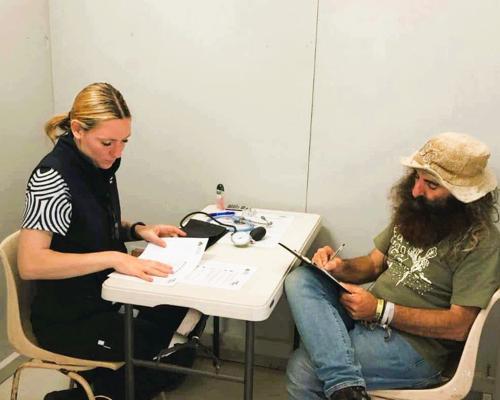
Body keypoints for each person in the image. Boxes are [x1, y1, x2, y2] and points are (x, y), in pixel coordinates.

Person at [285, 132, 500, 400]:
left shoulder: (481, 242)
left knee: (304, 368)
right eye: (416, 178)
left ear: (463, 198)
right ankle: (345, 386)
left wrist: (381, 310)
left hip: (414, 347)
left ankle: (342, 382)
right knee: (301, 278)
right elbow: (373, 264)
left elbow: (459, 326)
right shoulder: (417, 213)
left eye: (431, 185)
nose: (416, 191)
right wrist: (339, 267)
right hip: (368, 314)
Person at [18, 82, 194, 400]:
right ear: (77, 130)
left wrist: (137, 230)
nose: (117, 152)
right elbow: (31, 263)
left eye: (124, 141)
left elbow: (88, 224)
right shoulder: (52, 178)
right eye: (107, 142)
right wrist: (114, 258)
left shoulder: (95, 164)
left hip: (103, 297)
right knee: (161, 350)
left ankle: (108, 386)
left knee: (179, 310)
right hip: (67, 319)